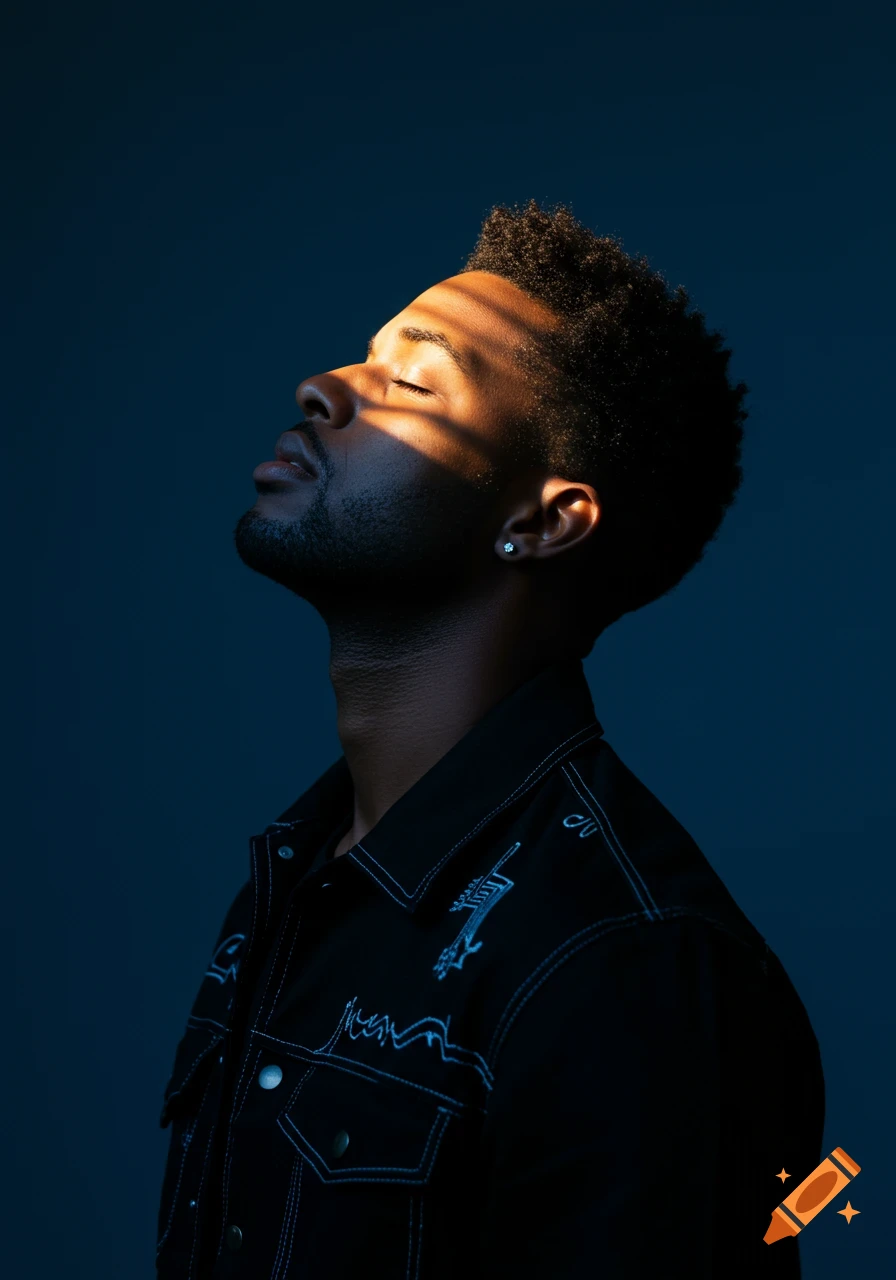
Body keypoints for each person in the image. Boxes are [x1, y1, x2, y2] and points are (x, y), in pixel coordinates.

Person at [156, 199, 824, 1278]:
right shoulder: (297, 875)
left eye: (411, 382)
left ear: (543, 519)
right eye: (363, 359)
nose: (322, 388)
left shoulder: (630, 965)